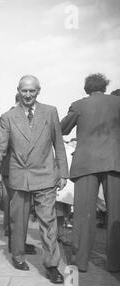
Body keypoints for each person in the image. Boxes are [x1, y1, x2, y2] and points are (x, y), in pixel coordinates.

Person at [0, 75, 68, 284]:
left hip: (45, 174)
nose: (28, 95)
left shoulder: (50, 112)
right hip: (19, 176)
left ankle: (52, 266)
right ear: (18, 90)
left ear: (38, 91)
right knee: (18, 220)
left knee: (48, 221)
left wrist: (63, 172)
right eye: (24, 91)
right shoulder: (8, 117)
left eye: (32, 91)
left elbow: (58, 143)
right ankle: (18, 255)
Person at [61, 73, 120, 273]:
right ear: (105, 86)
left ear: (86, 88)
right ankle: (115, 263)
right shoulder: (117, 102)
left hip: (86, 163)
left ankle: (81, 261)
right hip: (115, 161)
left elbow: (63, 129)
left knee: (83, 214)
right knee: (116, 214)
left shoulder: (78, 105)